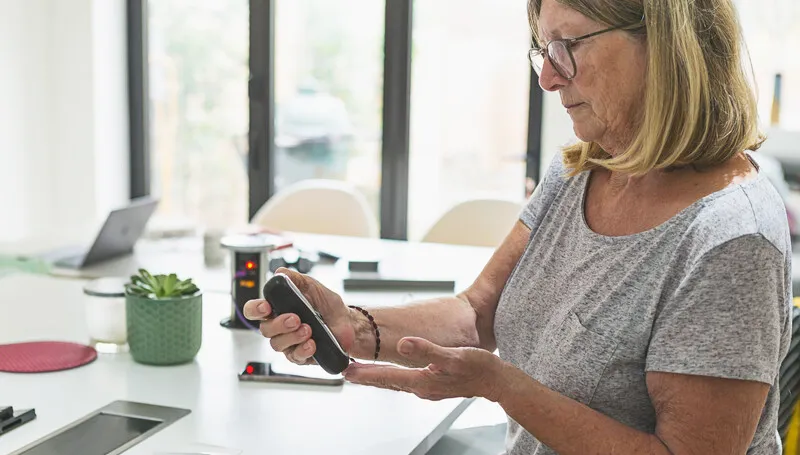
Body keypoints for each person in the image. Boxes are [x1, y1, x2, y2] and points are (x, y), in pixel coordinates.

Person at [243, 0, 794, 453]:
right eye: (543, 51)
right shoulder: (580, 169)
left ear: (668, 47)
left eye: (568, 47)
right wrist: (355, 326)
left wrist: (502, 387)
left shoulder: (731, 239)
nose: (549, 78)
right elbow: (477, 312)